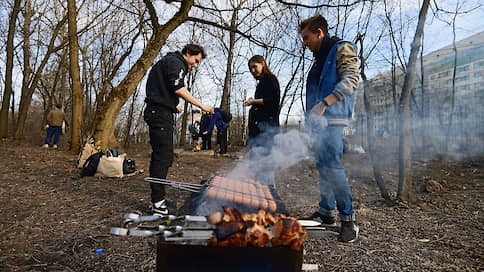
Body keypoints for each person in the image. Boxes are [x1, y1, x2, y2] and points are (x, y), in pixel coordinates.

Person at [300, 14, 360, 242]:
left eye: (306, 38)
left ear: (319, 32)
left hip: (333, 118)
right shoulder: (319, 58)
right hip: (318, 122)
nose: (304, 43)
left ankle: (348, 219)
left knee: (332, 166)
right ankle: (326, 212)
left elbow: (352, 80)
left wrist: (326, 103)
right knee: (322, 165)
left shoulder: (341, 48)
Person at [144, 44, 214, 216]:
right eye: (196, 60)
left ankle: (158, 200)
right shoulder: (176, 63)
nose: (195, 65)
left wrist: (172, 106)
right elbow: (178, 88)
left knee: (165, 156)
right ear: (188, 53)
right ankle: (158, 205)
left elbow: (161, 88)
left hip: (161, 110)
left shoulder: (169, 62)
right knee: (163, 157)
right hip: (158, 113)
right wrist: (201, 105)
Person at [244, 55, 280, 188]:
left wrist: (253, 101)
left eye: (255, 66)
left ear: (263, 64)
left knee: (265, 166)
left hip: (266, 131)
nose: (253, 70)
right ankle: (259, 200)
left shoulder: (270, 79)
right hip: (258, 132)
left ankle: (270, 201)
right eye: (250, 69)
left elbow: (273, 102)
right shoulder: (262, 83)